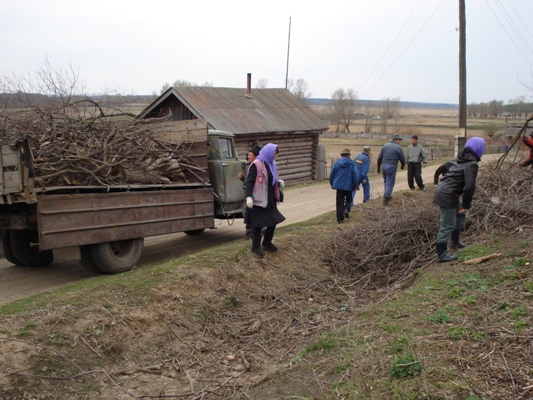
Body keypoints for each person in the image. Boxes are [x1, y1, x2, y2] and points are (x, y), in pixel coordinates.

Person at [433, 137, 485, 263]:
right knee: (447, 224)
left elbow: (443, 167)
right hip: (447, 194)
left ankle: (455, 243)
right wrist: (466, 204)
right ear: (479, 149)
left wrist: (436, 180)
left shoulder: (460, 158)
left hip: (447, 192)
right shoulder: (472, 164)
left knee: (460, 216)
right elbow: (470, 187)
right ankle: (441, 254)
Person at [245, 143, 285, 258]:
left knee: (274, 220)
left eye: (276, 154)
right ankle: (255, 247)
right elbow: (250, 181)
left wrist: (278, 182)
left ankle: (267, 242)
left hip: (270, 198)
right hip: (259, 199)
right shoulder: (256, 164)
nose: (275, 156)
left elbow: (272, 178)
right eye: (274, 153)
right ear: (268, 152)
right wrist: (249, 196)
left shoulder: (272, 164)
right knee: (258, 224)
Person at [329, 148, 360, 223]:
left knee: (339, 202)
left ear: (341, 155)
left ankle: (340, 219)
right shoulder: (352, 163)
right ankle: (346, 209)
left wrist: (332, 183)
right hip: (349, 185)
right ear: (349, 155)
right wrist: (356, 185)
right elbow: (355, 175)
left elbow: (332, 173)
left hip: (339, 186)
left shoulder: (337, 163)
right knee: (349, 199)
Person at [377, 132, 406, 206]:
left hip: (383, 166)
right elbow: (402, 158)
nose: (400, 142)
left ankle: (386, 194)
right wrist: (402, 166)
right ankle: (387, 198)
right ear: (398, 140)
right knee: (390, 182)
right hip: (391, 166)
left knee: (386, 181)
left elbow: (379, 158)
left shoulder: (385, 146)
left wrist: (378, 168)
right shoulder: (398, 147)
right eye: (400, 140)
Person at [239, 145, 261, 239]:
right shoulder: (249, 166)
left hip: (256, 194)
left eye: (250, 155)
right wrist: (242, 178)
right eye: (248, 155)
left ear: (256, 156)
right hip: (248, 194)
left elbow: (253, 182)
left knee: (256, 213)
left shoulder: (257, 167)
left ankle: (258, 232)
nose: (248, 157)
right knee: (247, 213)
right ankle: (249, 233)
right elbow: (248, 182)